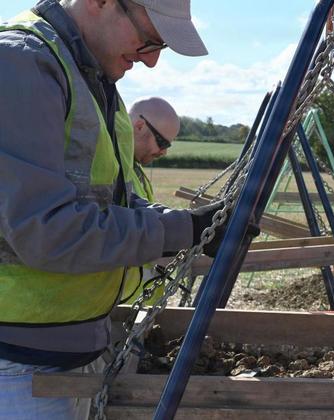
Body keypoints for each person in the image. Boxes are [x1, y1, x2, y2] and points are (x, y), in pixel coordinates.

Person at [0, 0, 229, 417]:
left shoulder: (89, 75)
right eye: (149, 40)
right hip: (18, 366)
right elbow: (47, 230)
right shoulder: (22, 64)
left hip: (62, 352)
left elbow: (110, 203)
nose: (154, 61)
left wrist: (190, 223)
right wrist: (180, 233)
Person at [120, 97, 181, 305]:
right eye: (162, 142)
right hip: (118, 308)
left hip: (134, 305)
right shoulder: (115, 165)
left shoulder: (134, 168)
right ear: (139, 126)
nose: (163, 152)